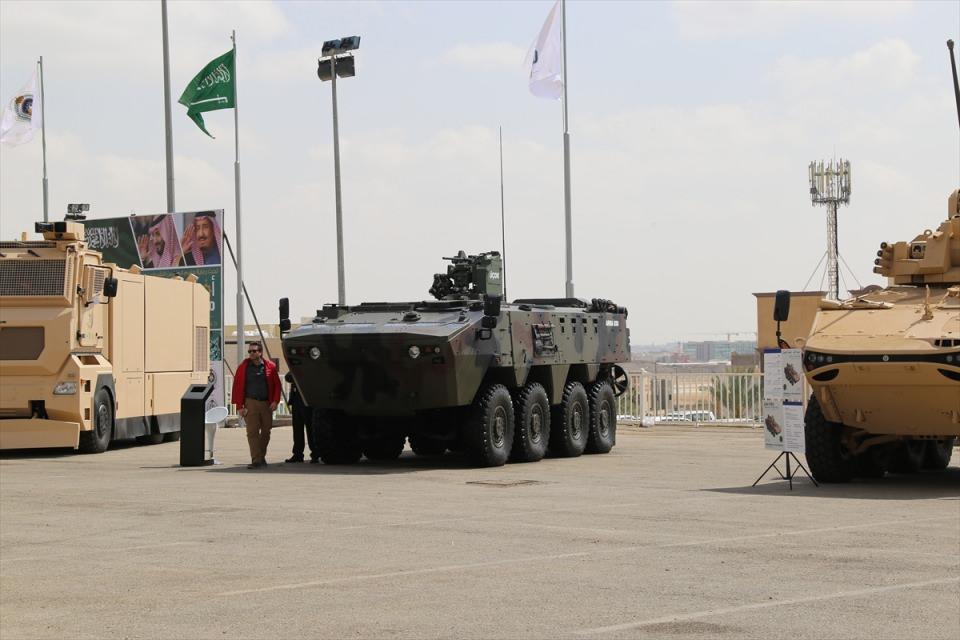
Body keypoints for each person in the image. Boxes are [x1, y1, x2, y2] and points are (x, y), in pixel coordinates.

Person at [232, 342, 281, 469]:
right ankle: (256, 460)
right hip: (250, 403)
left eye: (254, 351)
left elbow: (277, 385)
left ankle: (260, 456)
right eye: (250, 351)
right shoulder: (243, 367)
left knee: (266, 432)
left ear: (260, 352)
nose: (251, 354)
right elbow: (237, 386)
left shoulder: (270, 366)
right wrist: (239, 406)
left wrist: (275, 401)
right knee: (252, 432)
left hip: (266, 404)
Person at [285, 372, 318, 463]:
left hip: (307, 402)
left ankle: (315, 454)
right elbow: (288, 377)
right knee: (297, 429)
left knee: (310, 429)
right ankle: (298, 454)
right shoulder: (296, 369)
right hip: (296, 401)